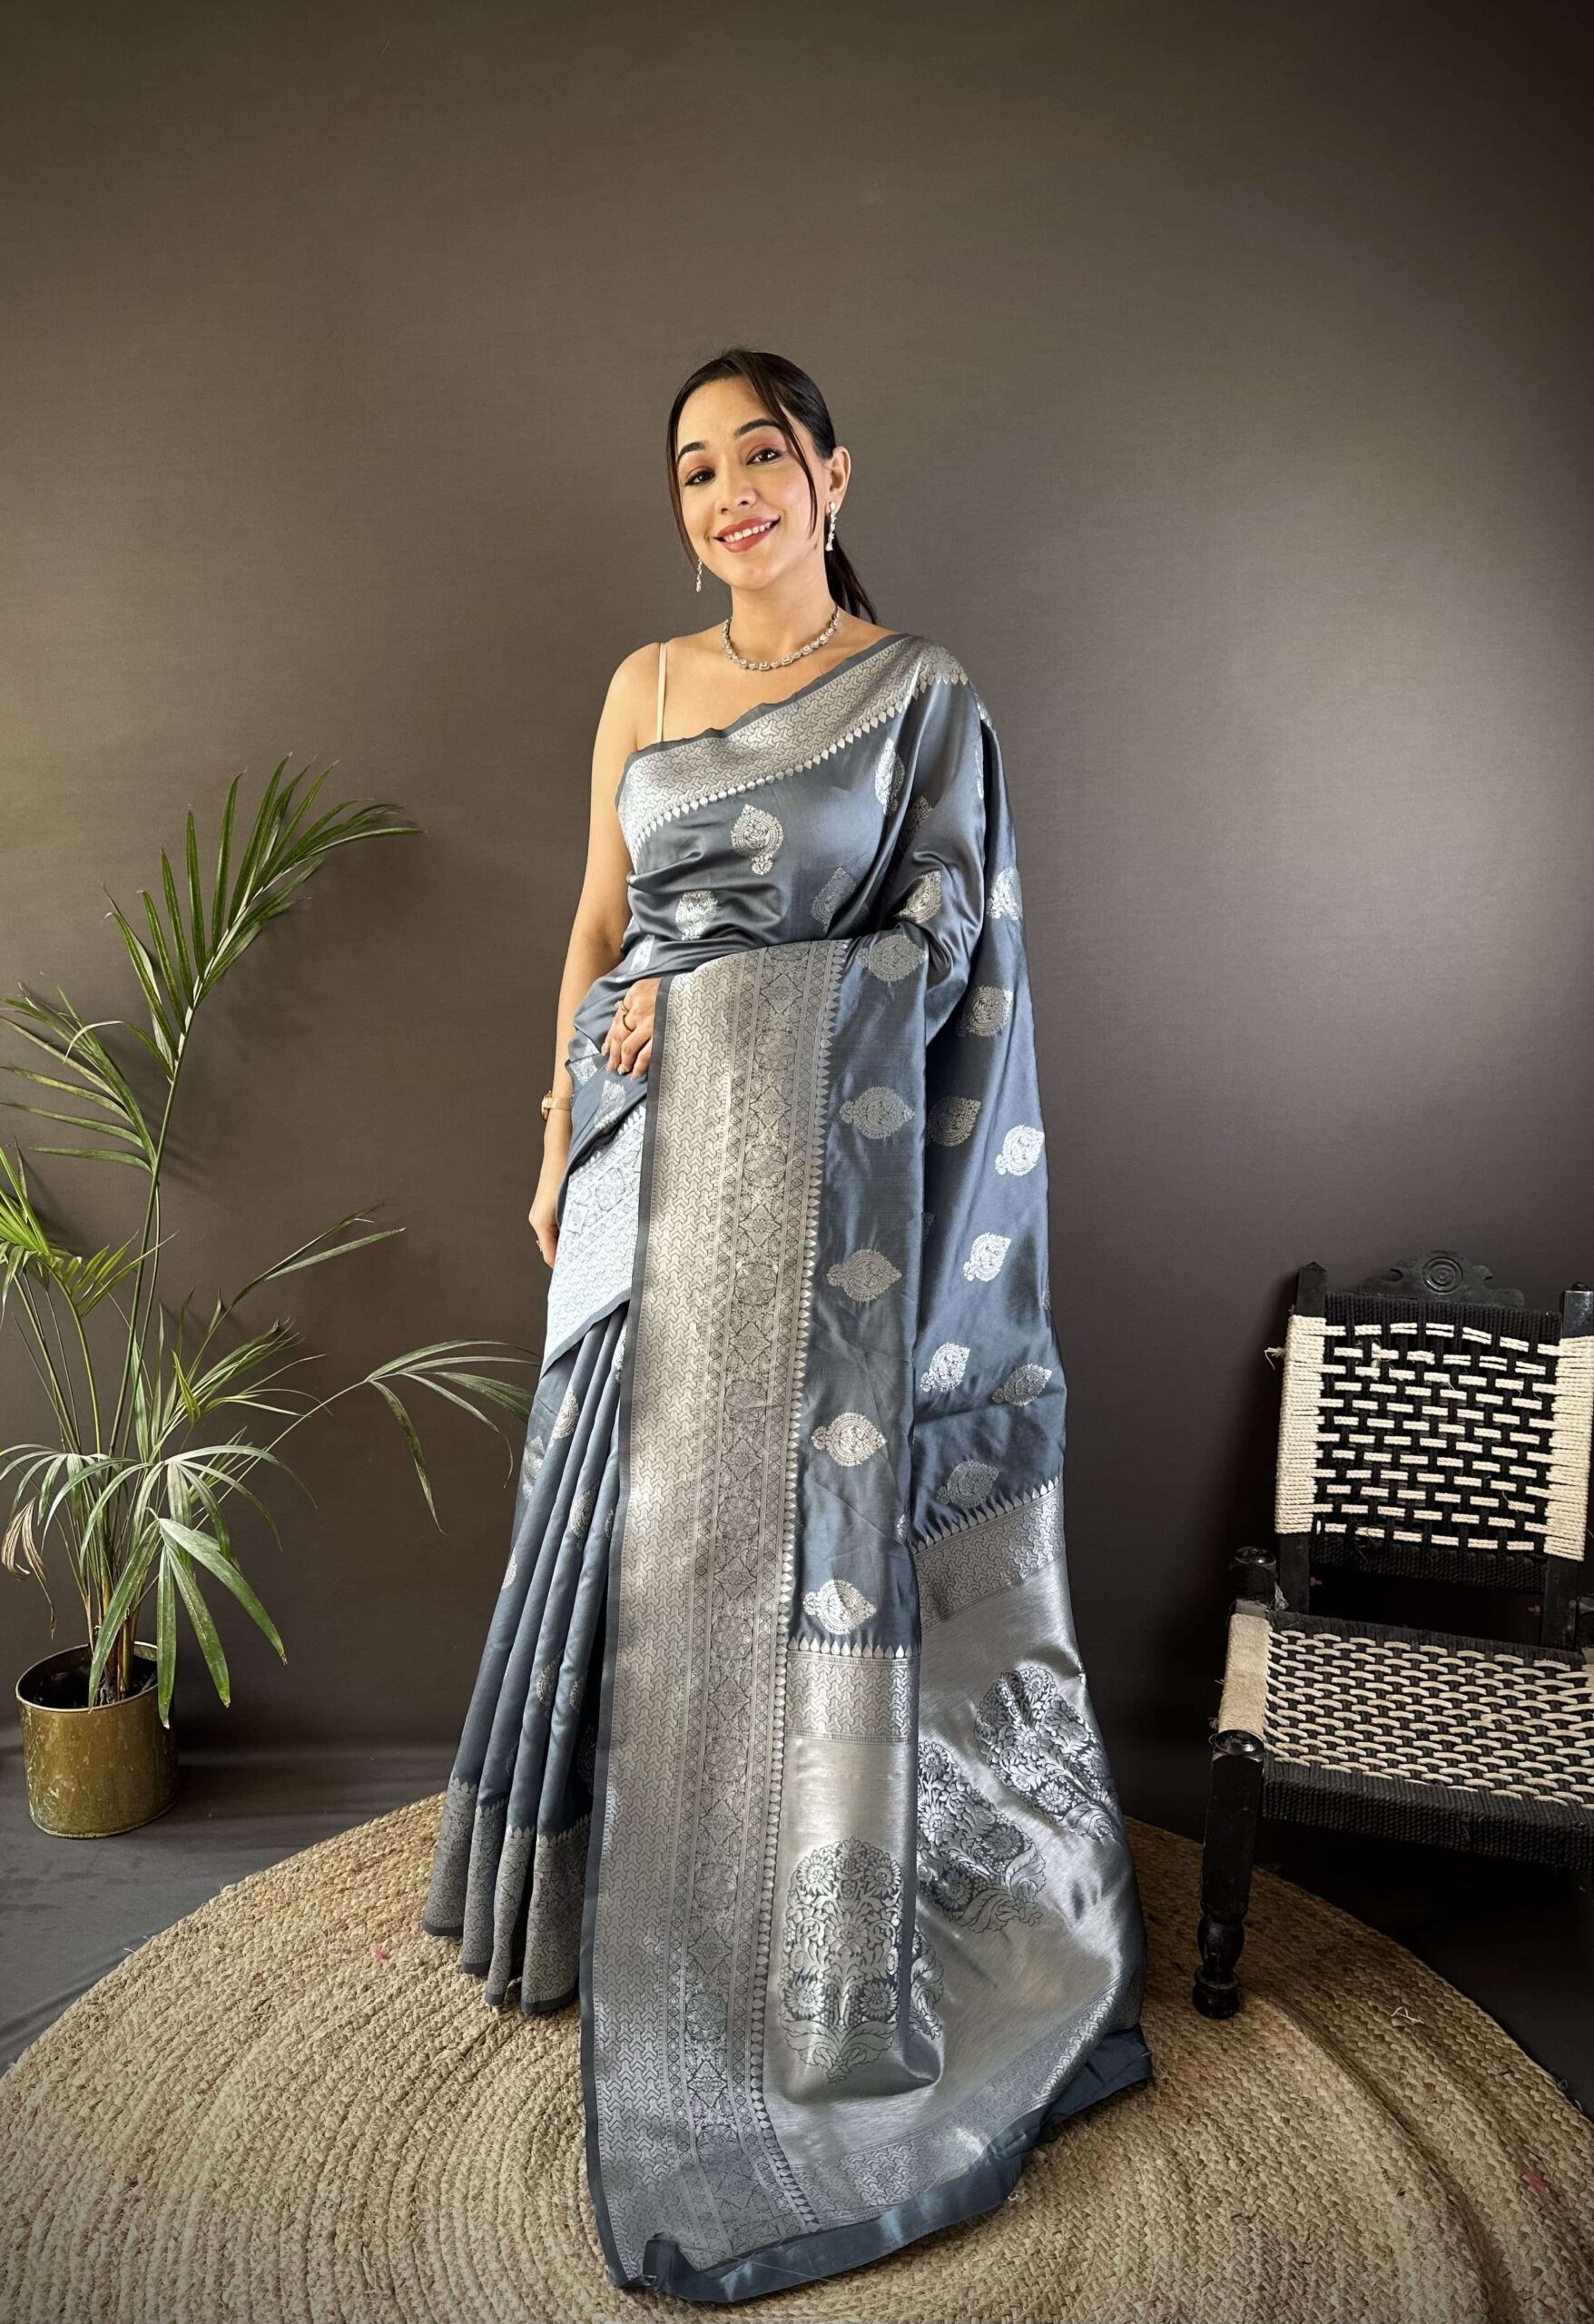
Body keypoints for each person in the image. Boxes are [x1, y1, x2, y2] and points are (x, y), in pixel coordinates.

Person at [420, 346, 1152, 2304]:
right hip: (632, 1162)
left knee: (762, 1547)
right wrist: (558, 1123)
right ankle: (577, 1906)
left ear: (832, 475)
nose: (727, 490)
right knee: (609, 1527)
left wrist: (727, 1013)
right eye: (694, 468)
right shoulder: (643, 686)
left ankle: (778, 1929)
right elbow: (598, 925)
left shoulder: (919, 698)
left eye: (760, 453)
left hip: (809, 1195)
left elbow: (942, 945)